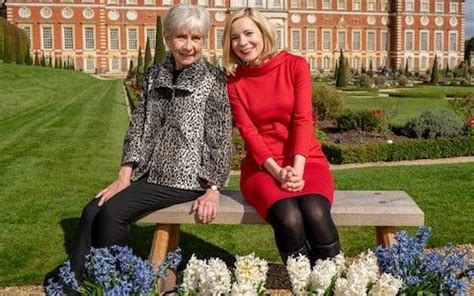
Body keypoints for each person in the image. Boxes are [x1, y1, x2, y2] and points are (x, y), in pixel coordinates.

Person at [65, 4, 233, 284]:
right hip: (149, 172)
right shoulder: (156, 74)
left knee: (112, 214)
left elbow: (220, 136)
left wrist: (213, 187)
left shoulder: (213, 78)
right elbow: (138, 126)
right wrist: (124, 175)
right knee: (92, 210)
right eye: (182, 37)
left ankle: (117, 285)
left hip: (186, 177)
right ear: (167, 38)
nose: (189, 46)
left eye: (196, 38)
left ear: (205, 40)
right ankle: (78, 282)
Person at [223, 8, 340, 264]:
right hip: (262, 167)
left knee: (316, 211)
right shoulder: (234, 83)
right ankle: (303, 283)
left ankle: (332, 283)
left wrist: (296, 168)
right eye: (235, 37)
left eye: (248, 33)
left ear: (263, 32)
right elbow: (249, 133)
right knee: (288, 217)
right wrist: (277, 172)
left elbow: (302, 120)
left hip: (306, 159)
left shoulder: (295, 65)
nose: (243, 42)